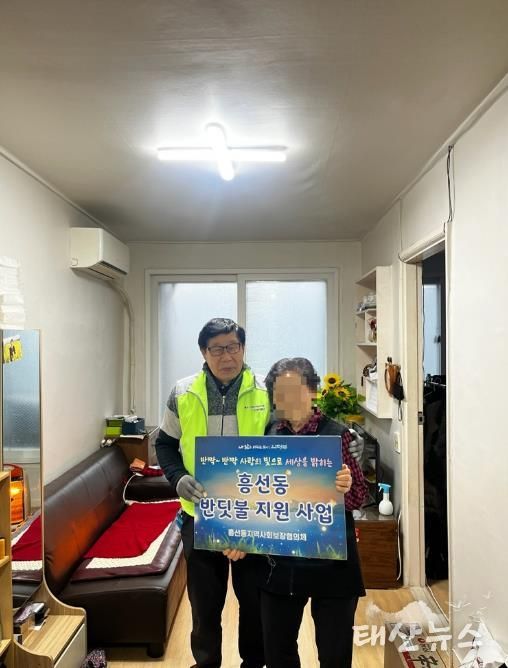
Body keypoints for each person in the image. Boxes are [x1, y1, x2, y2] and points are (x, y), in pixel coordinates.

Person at [155, 318, 270, 668]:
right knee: (204, 606)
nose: (227, 356)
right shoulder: (183, 392)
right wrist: (177, 478)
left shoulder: (267, 390)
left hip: (254, 516)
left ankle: (254, 663)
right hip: (199, 514)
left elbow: (286, 446)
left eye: (233, 347)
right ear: (203, 352)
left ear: (243, 348)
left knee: (255, 603)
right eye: (217, 349)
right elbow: (165, 444)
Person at [260, 357, 368, 668]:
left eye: (295, 390)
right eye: (279, 392)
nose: (287, 399)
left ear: (313, 391)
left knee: (334, 654)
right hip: (282, 561)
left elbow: (359, 498)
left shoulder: (338, 434)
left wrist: (346, 487)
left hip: (332, 562)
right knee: (278, 651)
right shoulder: (269, 433)